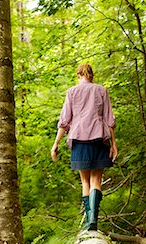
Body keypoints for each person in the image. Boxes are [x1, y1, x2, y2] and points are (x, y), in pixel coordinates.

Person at [51, 64, 118, 231]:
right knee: (96, 180)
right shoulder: (102, 90)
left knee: (85, 181)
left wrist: (56, 143)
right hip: (99, 140)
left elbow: (65, 122)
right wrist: (114, 145)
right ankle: (94, 219)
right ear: (92, 75)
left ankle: (89, 220)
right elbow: (110, 120)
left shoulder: (72, 92)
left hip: (79, 140)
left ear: (78, 75)